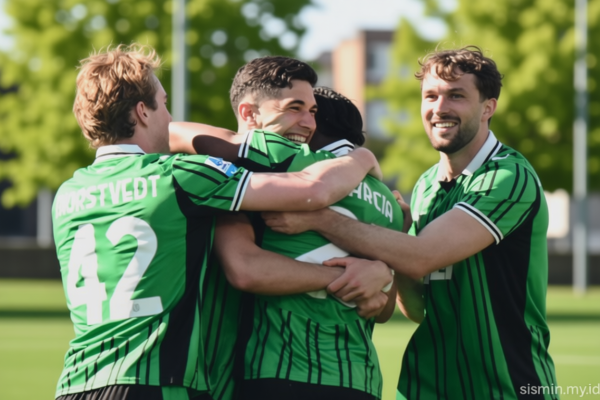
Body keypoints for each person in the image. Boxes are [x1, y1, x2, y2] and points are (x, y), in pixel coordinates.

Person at [51, 44, 385, 400]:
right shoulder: (179, 176)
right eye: (164, 103)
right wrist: (361, 159)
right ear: (143, 112)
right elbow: (312, 189)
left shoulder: (67, 195)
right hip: (153, 380)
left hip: (76, 382)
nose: (170, 118)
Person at [263, 46, 559, 399]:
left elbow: (422, 256)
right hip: (426, 386)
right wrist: (395, 244)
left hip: (507, 384)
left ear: (488, 108)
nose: (440, 108)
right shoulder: (426, 186)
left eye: (456, 96)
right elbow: (417, 307)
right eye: (430, 96)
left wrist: (320, 218)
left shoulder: (508, 177)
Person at [170, 84, 422, 400]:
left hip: (281, 365)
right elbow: (383, 310)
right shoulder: (393, 206)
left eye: (310, 112)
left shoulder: (291, 162)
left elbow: (176, 132)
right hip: (360, 377)